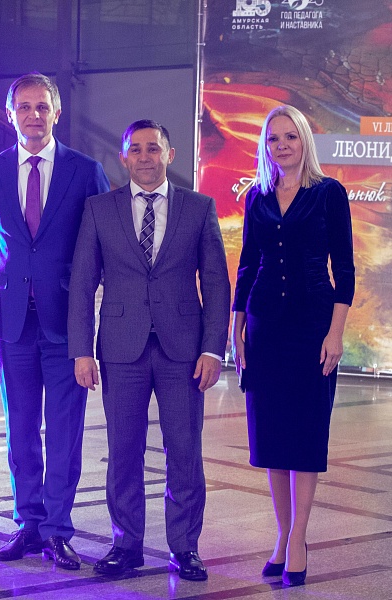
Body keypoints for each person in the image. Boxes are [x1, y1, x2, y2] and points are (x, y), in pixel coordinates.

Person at [68, 120, 231, 581]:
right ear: (124, 157)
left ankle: (185, 548)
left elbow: (216, 282)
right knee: (123, 451)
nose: (144, 157)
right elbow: (82, 282)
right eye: (135, 149)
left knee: (185, 451)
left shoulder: (199, 208)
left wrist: (213, 349)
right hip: (121, 349)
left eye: (153, 148)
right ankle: (126, 546)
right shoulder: (99, 209)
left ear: (169, 154)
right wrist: (81, 350)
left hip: (184, 351)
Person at [0, 73, 109, 570]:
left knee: (65, 429)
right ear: (9, 114)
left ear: (57, 112)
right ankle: (28, 524)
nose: (33, 115)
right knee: (20, 428)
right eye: (24, 107)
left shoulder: (85, 170)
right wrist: (20, 280)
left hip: (66, 323)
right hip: (12, 322)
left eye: (42, 106)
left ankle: (57, 530)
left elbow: (97, 243)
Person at [231, 105, 354, 587]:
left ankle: (298, 538)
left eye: (290, 137)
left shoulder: (328, 193)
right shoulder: (257, 197)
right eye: (273, 138)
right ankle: (281, 536)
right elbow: (247, 265)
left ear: (304, 141)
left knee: (304, 434)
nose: (281, 145)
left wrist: (335, 332)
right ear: (265, 146)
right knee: (272, 438)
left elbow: (345, 269)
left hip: (311, 326)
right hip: (265, 327)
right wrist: (237, 329)